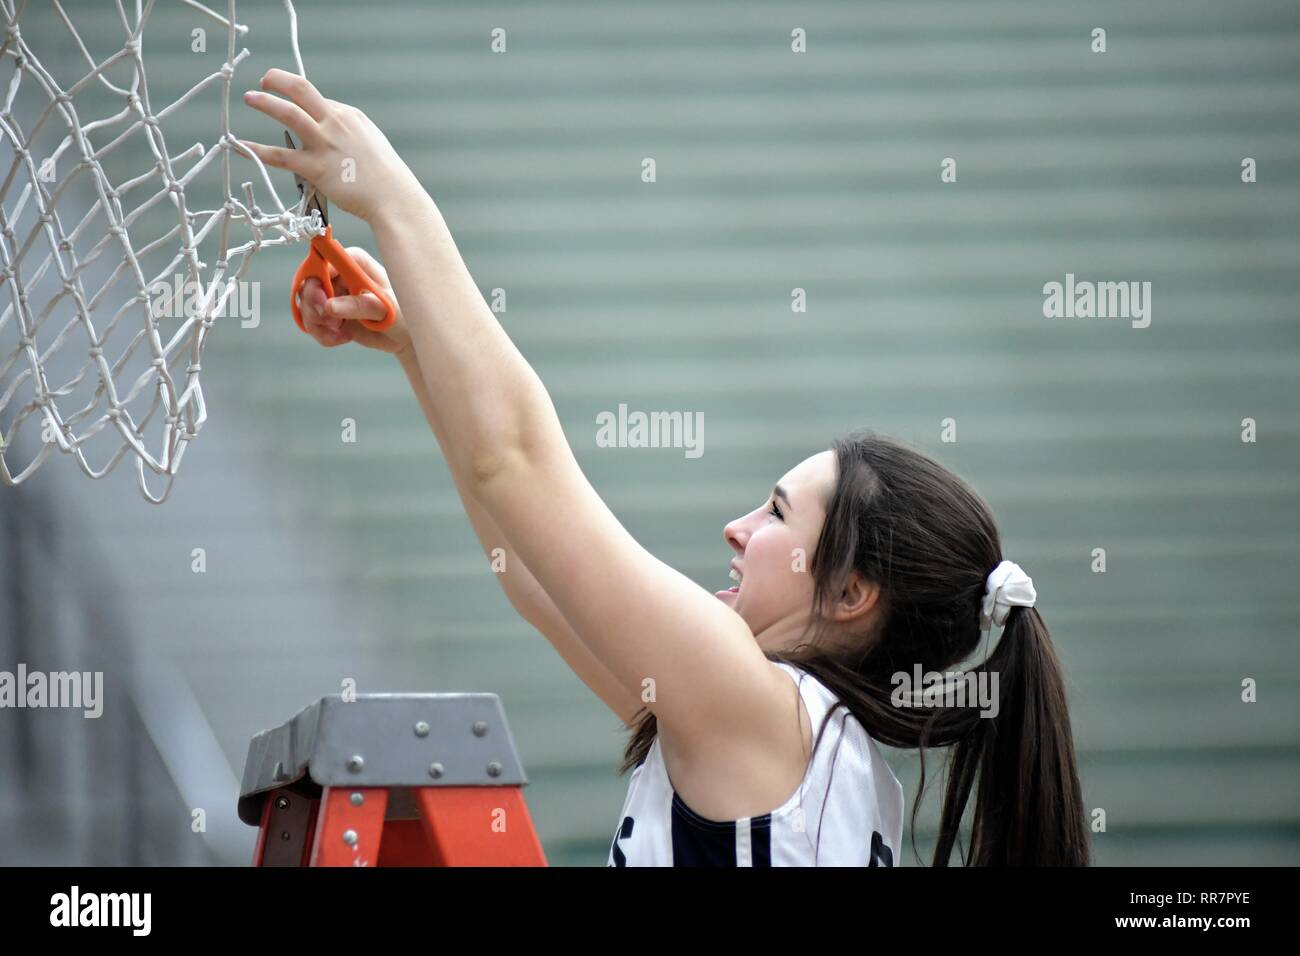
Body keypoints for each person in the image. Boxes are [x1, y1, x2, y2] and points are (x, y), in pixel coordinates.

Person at [241, 70, 1090, 866]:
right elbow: (529, 569)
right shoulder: (777, 729)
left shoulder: (754, 707)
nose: (739, 526)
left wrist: (392, 194)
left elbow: (518, 463)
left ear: (848, 593)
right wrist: (415, 346)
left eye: (777, 514)